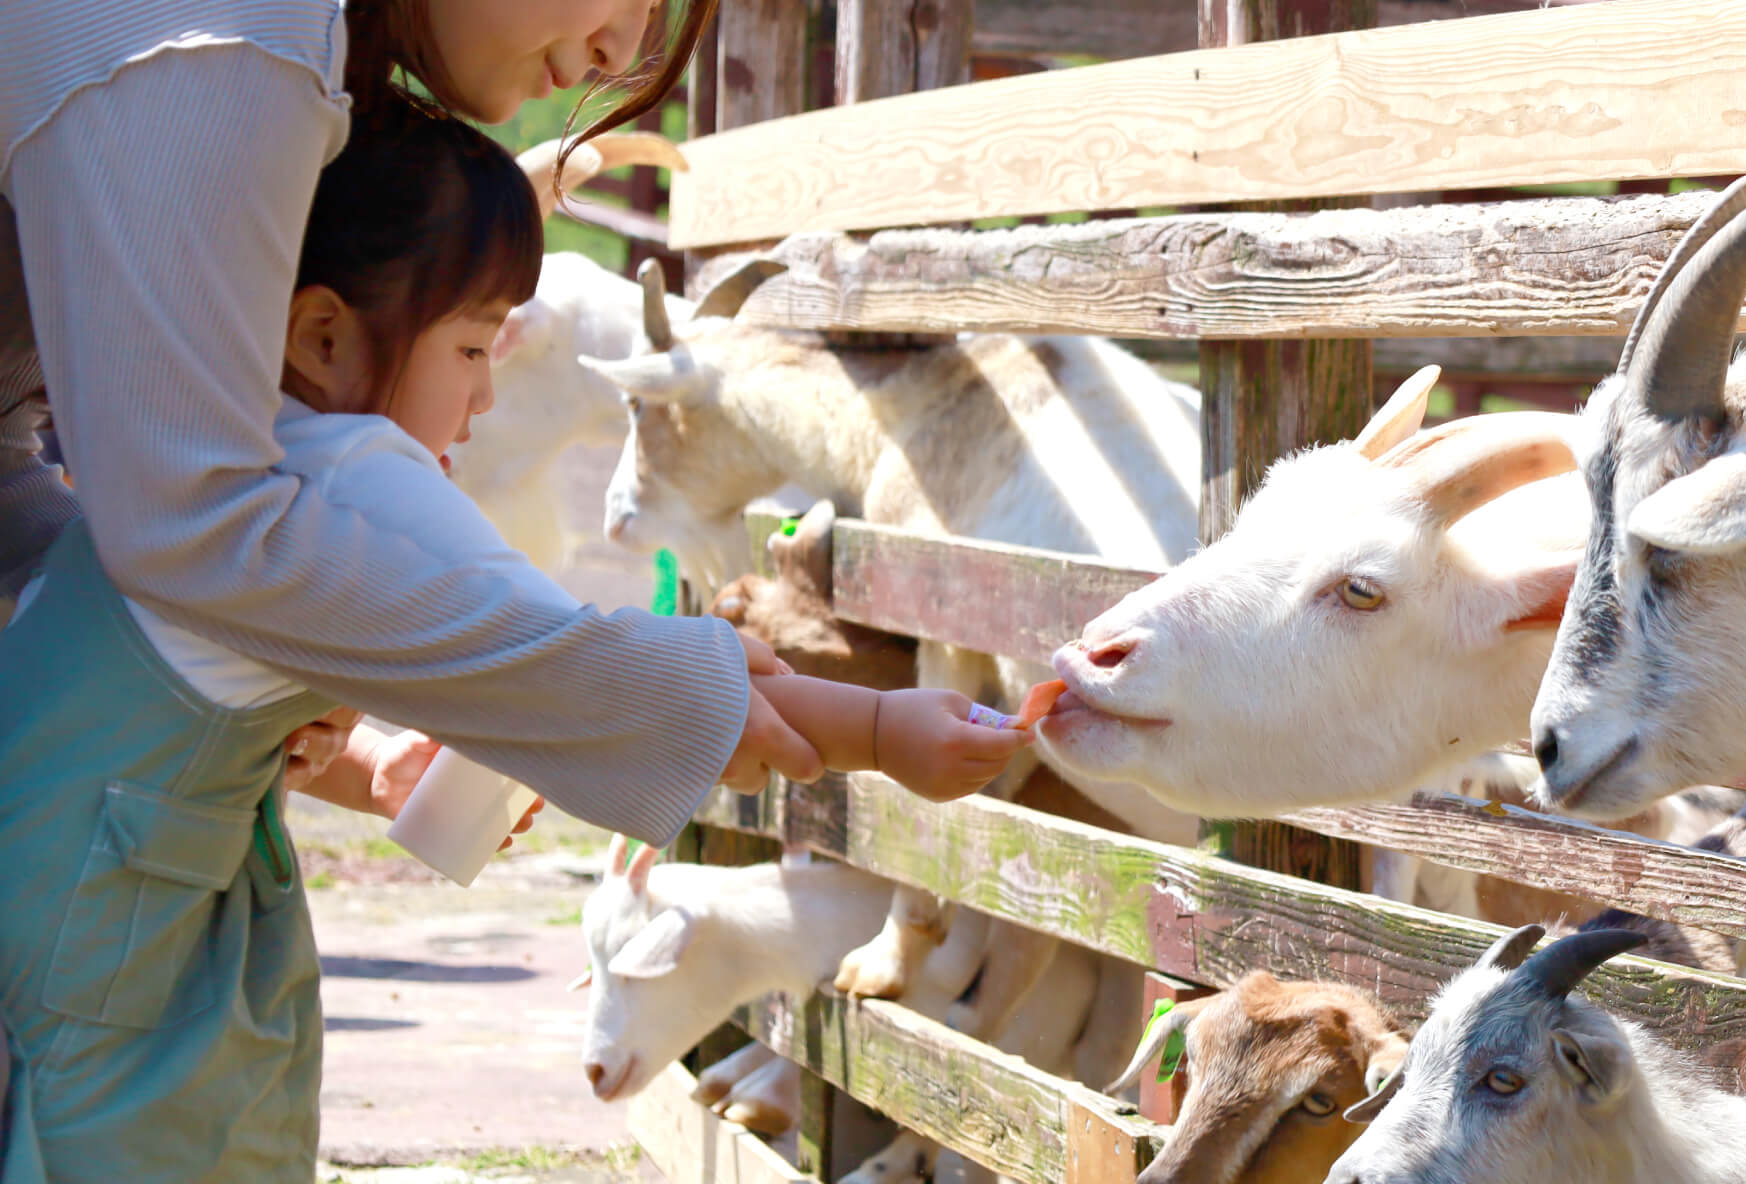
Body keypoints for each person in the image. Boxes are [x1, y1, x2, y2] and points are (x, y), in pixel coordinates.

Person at [1, 88, 1032, 1182]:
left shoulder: (213, 442)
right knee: (139, 1138)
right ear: (323, 334)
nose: (488, 393)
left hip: (70, 862)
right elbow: (567, 657)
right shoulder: (348, 471)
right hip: (109, 911)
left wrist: (376, 758)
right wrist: (876, 725)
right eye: (471, 348)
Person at [0, 2, 815, 850]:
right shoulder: (244, 41)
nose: (625, 50)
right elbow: (191, 518)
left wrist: (236, 666)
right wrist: (638, 693)